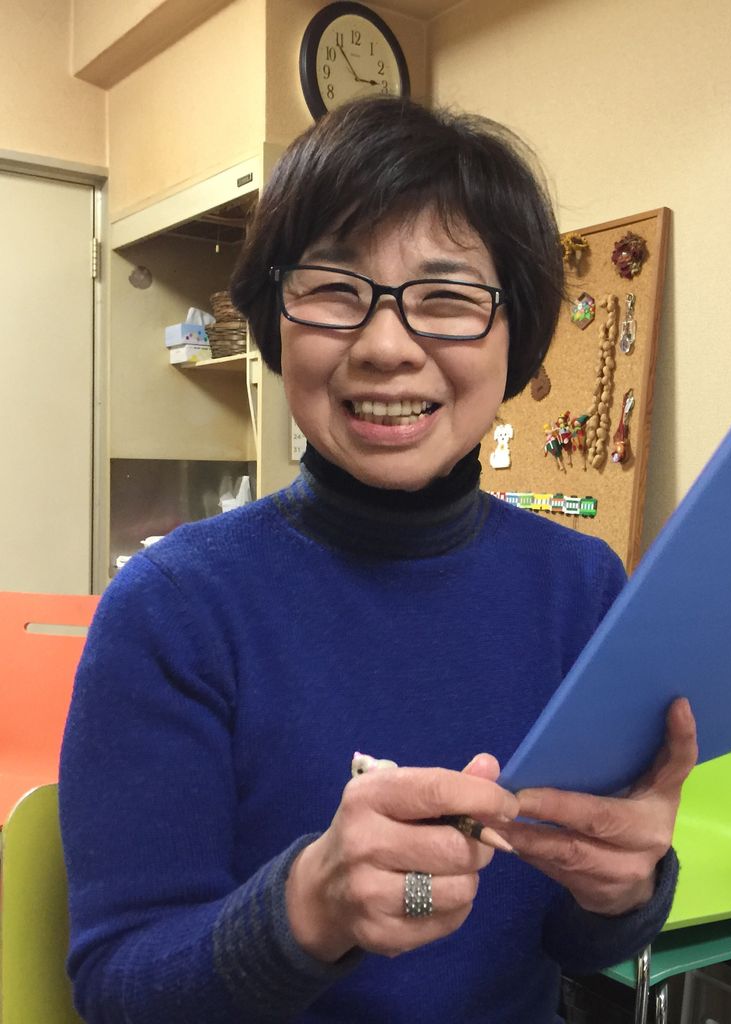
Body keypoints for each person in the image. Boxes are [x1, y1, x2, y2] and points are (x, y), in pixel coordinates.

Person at [59, 96, 698, 1024]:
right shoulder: (174, 606)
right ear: (276, 320)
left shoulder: (580, 587)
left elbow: (577, 943)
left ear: (515, 335)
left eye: (447, 299)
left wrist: (624, 887)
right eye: (333, 290)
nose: (386, 346)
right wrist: (308, 908)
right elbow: (116, 988)